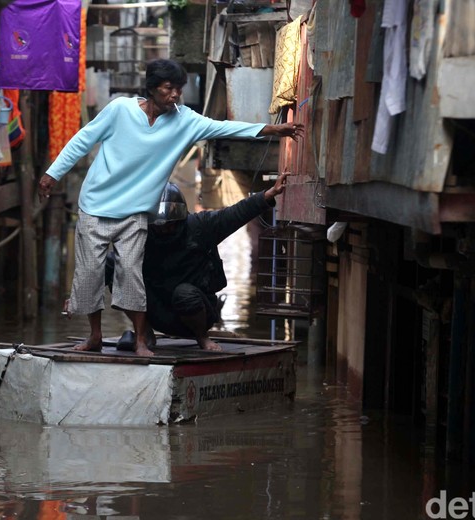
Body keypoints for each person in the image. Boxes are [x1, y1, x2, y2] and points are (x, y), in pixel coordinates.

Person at [39, 59, 304, 357]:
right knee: (89, 274)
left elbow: (224, 128)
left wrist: (274, 129)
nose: (175, 95)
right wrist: (52, 173)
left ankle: (141, 339)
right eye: (169, 89)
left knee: (131, 273)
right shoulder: (119, 110)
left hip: (136, 212)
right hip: (95, 204)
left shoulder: (185, 120)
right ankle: (95, 336)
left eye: (179, 89)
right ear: (152, 89)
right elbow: (82, 139)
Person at [110, 172, 291, 352]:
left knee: (184, 294)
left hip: (195, 310)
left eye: (171, 225)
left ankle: (202, 337)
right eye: (161, 226)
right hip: (153, 309)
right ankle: (144, 332)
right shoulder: (142, 234)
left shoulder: (199, 227)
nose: (166, 230)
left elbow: (235, 213)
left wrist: (268, 195)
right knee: (114, 264)